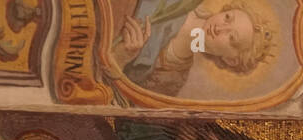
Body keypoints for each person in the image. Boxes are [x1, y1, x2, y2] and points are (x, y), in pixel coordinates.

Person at [113, 0, 275, 98]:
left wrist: (120, 58)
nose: (220, 28)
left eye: (231, 38)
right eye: (227, 17)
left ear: (230, 59)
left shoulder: (172, 78)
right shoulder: (185, 3)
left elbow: (118, 100)